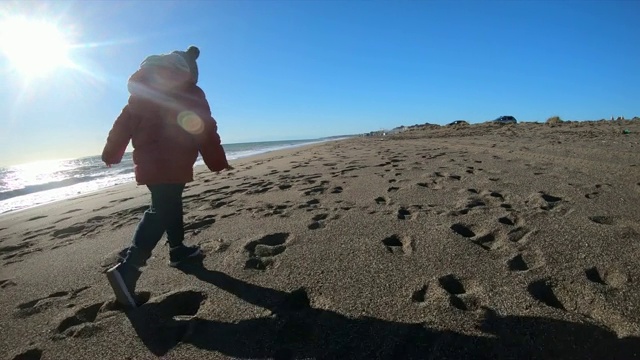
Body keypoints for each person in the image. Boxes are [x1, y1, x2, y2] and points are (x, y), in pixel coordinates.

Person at [101, 46, 231, 308]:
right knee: (162, 207)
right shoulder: (188, 93)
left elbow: (121, 127)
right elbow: (203, 128)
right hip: (173, 160)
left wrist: (111, 155)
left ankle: (178, 249)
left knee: (170, 202)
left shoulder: (140, 96)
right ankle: (129, 270)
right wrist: (217, 162)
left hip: (151, 164)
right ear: (186, 71)